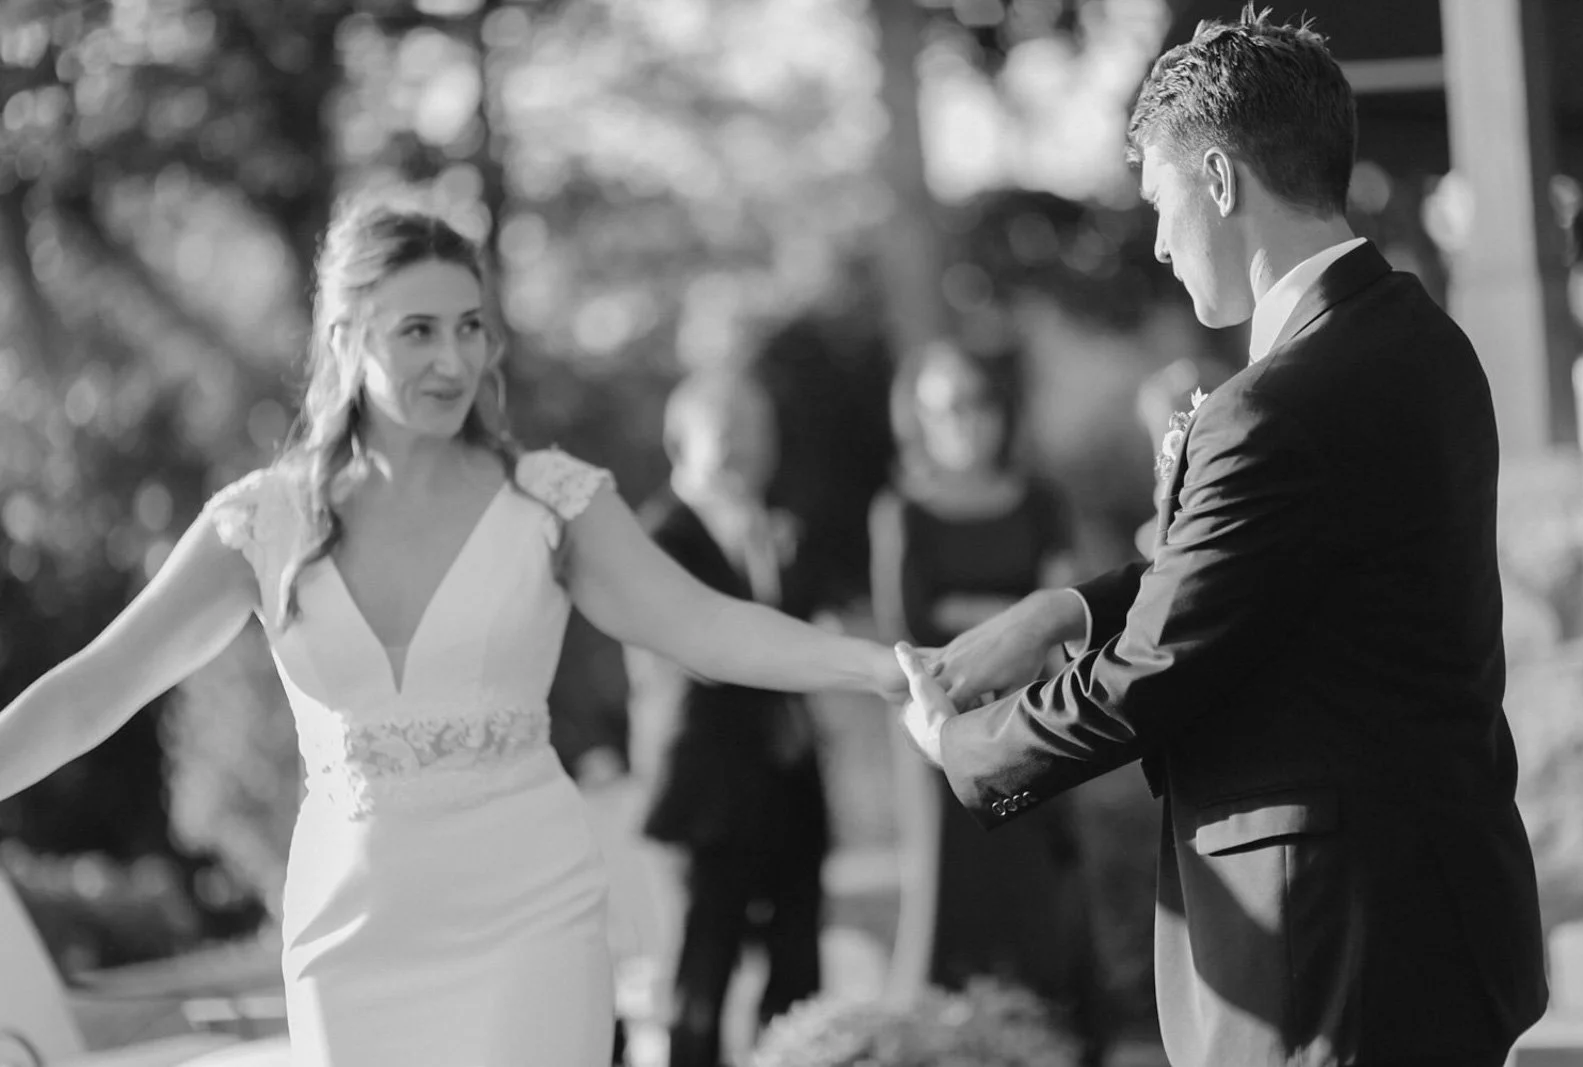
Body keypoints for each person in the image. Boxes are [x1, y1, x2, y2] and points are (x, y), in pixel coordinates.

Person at [0, 195, 906, 1067]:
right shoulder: (261, 522)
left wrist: (883, 668)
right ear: (346, 339)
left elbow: (703, 626)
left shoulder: (550, 501)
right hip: (351, 938)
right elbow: (95, 687)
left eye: (470, 326)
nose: (454, 359)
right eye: (418, 330)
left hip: (530, 922)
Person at [894, 10, 1548, 1067]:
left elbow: (1160, 664)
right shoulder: (1421, 344)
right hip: (1437, 913)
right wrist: (1060, 609)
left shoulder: (1275, 405)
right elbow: (1258, 569)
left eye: (1158, 202)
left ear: (1218, 177)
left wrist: (967, 746)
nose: (1154, 239)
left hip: (1323, 945)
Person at [868, 344, 1110, 1065]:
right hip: (943, 742)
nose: (966, 419)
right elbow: (908, 633)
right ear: (918, 419)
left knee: (1040, 897)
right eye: (947, 406)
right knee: (954, 897)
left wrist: (988, 618)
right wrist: (1022, 616)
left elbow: (1070, 616)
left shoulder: (1042, 500)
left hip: (1038, 725)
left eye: (978, 399)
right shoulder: (903, 511)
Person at [624, 369, 830, 1067]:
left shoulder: (780, 527)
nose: (750, 448)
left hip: (790, 787)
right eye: (730, 431)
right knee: (701, 984)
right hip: (705, 796)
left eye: (760, 431)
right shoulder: (655, 537)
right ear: (680, 440)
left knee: (798, 974)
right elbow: (704, 655)